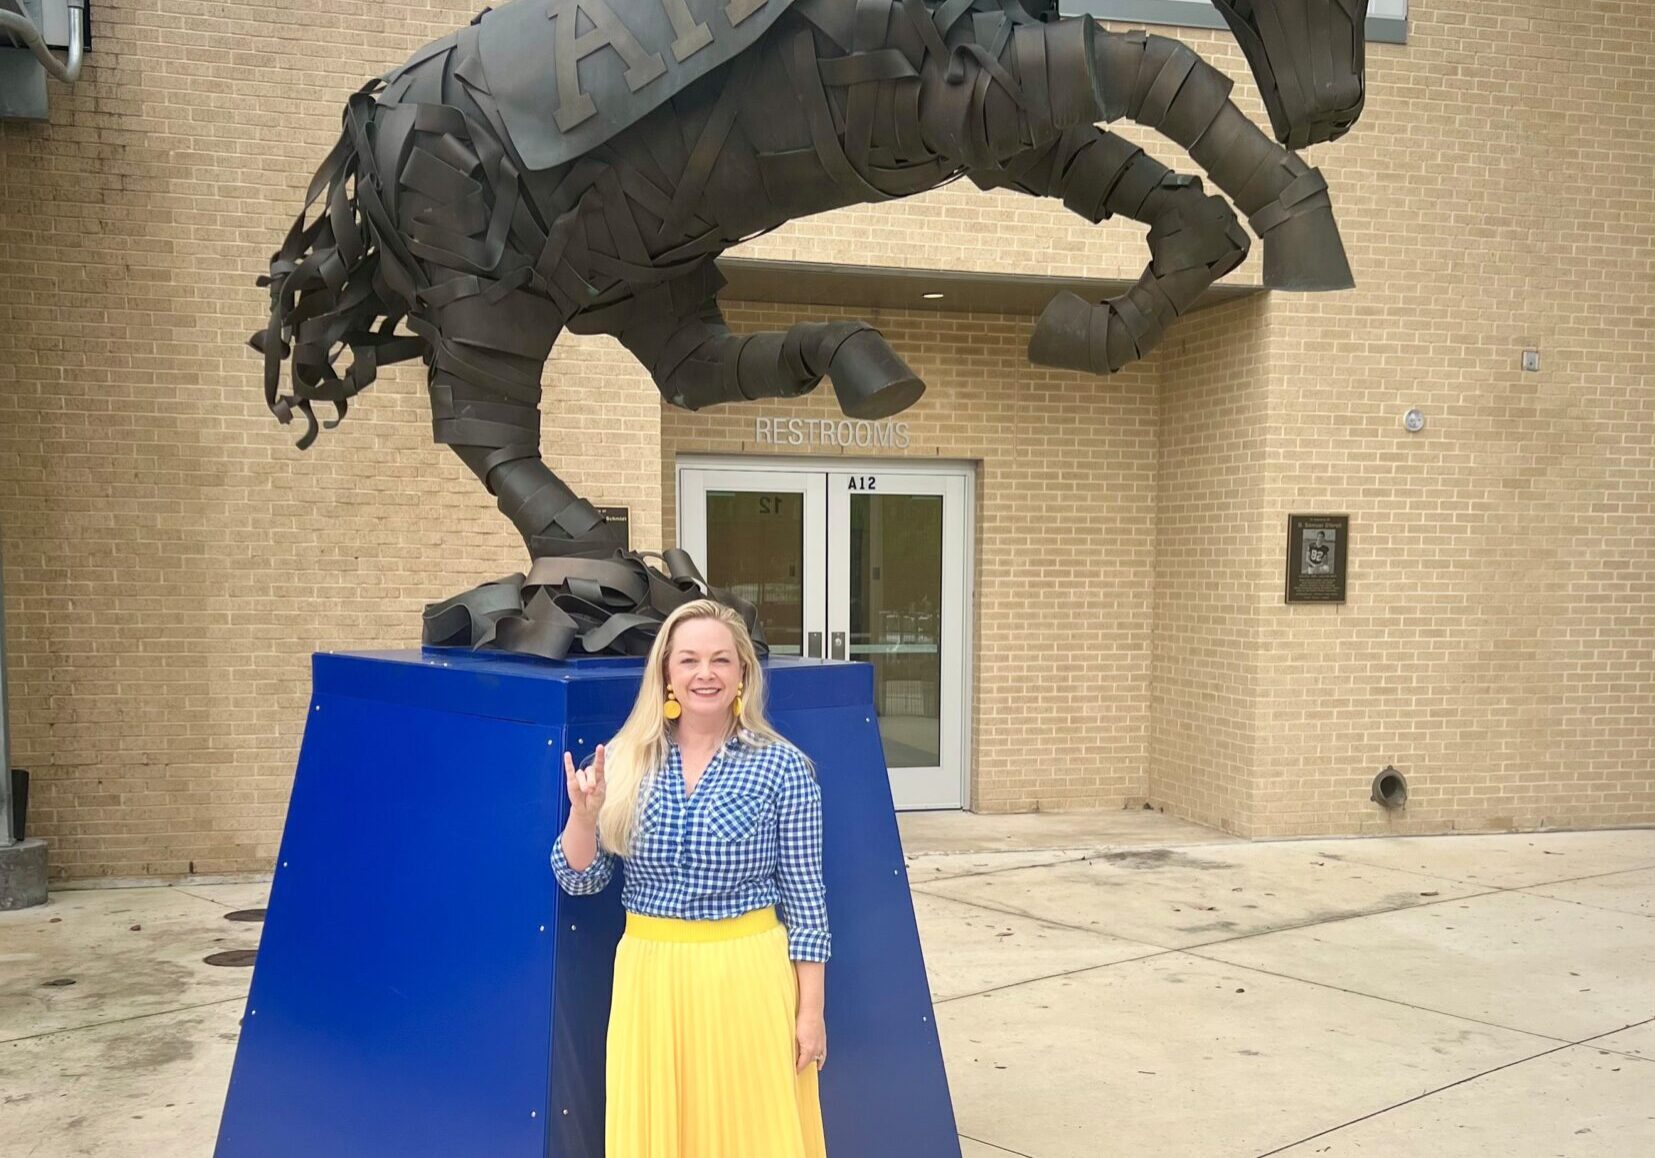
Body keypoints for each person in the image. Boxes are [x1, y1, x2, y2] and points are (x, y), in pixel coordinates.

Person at [551, 598, 831, 1157]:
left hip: (747, 976)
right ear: (667, 675)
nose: (706, 673)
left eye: (722, 660)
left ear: (743, 674)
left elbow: (807, 901)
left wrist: (811, 1013)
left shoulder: (784, 768)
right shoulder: (626, 760)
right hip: (650, 979)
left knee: (747, 1135)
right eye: (689, 660)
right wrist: (583, 816)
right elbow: (581, 879)